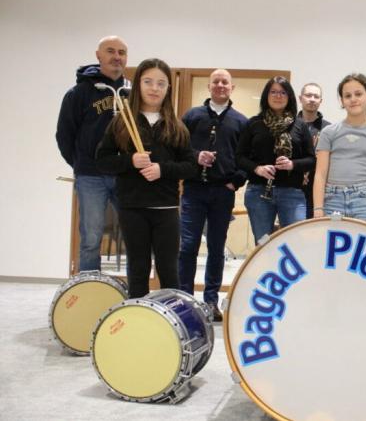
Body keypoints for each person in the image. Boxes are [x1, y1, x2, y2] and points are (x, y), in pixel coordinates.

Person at [96, 58, 197, 298]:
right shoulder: (121, 122)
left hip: (167, 207)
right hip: (133, 207)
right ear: (138, 84)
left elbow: (190, 166)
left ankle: (173, 323)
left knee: (169, 270)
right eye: (148, 81)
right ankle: (136, 323)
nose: (154, 88)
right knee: (138, 268)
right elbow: (102, 160)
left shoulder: (177, 126)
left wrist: (163, 169)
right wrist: (130, 161)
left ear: (168, 89)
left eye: (161, 83)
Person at [178, 69, 249, 321]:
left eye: (225, 82)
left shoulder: (242, 122)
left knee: (217, 248)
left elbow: (246, 159)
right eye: (216, 82)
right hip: (194, 190)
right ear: (209, 86)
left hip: (223, 192)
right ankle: (184, 299)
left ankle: (211, 301)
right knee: (188, 246)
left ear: (232, 87)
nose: (220, 85)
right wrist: (196, 156)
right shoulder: (191, 116)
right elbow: (179, 148)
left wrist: (236, 182)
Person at [56, 36, 128, 272]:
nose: (117, 56)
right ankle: (88, 291)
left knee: (134, 236)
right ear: (98, 55)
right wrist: (81, 164)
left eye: (121, 52)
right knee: (91, 238)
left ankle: (136, 295)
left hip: (125, 176)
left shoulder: (132, 93)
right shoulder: (78, 93)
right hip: (91, 177)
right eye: (110, 51)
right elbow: (64, 135)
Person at [236, 76, 315, 244]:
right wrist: (257, 168)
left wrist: (292, 164)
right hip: (259, 192)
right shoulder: (254, 123)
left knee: (296, 243)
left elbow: (311, 160)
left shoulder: (300, 125)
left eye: (283, 92)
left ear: (290, 97)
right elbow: (239, 157)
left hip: (292, 193)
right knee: (263, 245)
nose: (278, 96)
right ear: (266, 95)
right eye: (273, 92)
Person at [313, 73, 366, 224]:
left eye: (358, 94)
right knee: (332, 246)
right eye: (347, 96)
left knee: (361, 246)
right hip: (332, 200)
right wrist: (318, 209)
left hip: (363, 201)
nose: (353, 99)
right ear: (342, 101)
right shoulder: (329, 132)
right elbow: (320, 174)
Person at [297, 83, 331, 219]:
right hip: (292, 190)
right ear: (300, 98)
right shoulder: (289, 125)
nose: (312, 99)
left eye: (316, 96)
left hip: (318, 193)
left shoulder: (329, 129)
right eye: (308, 95)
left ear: (320, 101)